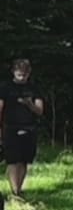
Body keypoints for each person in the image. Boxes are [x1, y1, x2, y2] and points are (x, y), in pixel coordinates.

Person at [1, 58, 46, 200]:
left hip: (29, 127)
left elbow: (39, 111)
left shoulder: (34, 89)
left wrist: (29, 104)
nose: (22, 76)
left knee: (24, 160)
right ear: (13, 72)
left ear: (29, 73)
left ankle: (19, 189)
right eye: (19, 73)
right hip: (10, 127)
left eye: (25, 74)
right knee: (12, 160)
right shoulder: (5, 88)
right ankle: (15, 192)